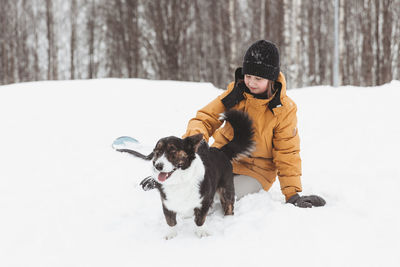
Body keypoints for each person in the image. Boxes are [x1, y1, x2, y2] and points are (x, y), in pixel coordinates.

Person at [181, 40, 325, 208]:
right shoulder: (236, 93)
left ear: (271, 78)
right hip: (222, 158)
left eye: (258, 78)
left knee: (215, 193)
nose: (251, 82)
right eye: (248, 76)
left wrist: (292, 194)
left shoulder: (284, 109)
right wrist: (197, 141)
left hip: (256, 171)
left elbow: (287, 152)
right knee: (190, 186)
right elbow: (205, 118)